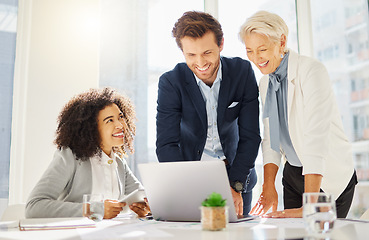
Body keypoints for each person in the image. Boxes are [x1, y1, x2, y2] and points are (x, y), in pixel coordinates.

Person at [239, 10, 357, 218]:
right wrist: (268, 186)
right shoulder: (266, 83)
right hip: (293, 174)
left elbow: (316, 138)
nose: (256, 58)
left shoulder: (312, 71)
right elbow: (271, 139)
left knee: (318, 231)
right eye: (249, 51)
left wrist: (310, 205)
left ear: (281, 41)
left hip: (326, 174)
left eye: (262, 49)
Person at [156, 11, 261, 216]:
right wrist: (189, 187)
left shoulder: (242, 71)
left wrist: (236, 185)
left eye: (207, 53)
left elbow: (250, 136)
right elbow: (166, 144)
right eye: (191, 55)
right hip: (192, 176)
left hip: (236, 175)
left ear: (221, 44)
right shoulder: (171, 82)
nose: (201, 63)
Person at [26, 87, 150, 219]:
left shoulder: (119, 163)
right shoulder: (70, 157)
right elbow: (34, 206)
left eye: (121, 117)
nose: (120, 125)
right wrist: (94, 209)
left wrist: (145, 208)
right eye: (110, 120)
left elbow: (143, 197)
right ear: (91, 129)